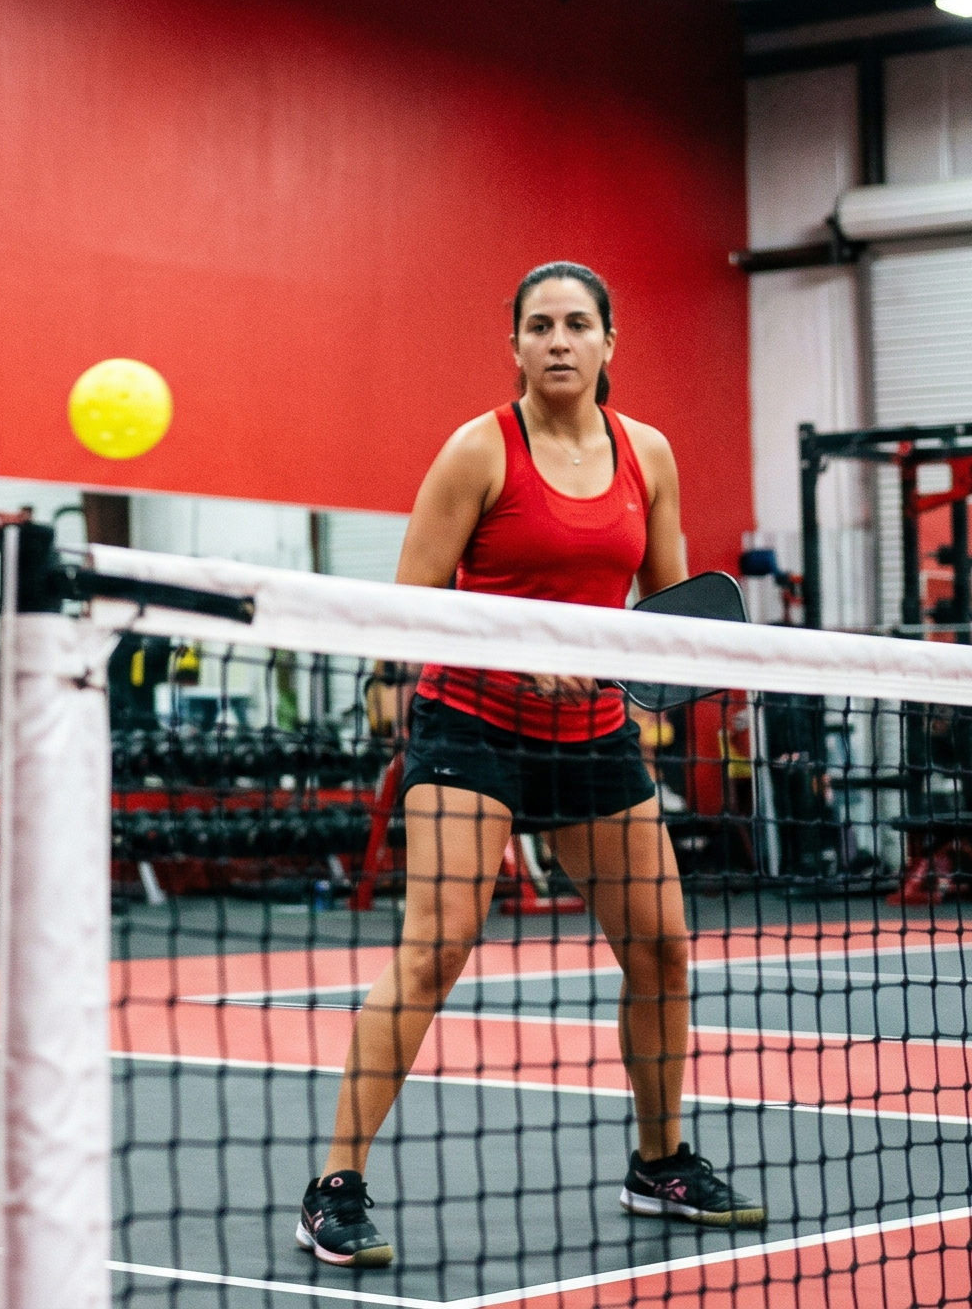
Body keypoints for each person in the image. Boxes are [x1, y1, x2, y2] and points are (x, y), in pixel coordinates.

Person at [297, 261, 761, 1271]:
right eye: (540, 325)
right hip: (469, 728)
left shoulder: (649, 455)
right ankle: (335, 1186)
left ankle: (660, 1160)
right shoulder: (479, 450)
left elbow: (666, 617)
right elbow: (409, 604)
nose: (559, 340)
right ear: (514, 344)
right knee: (438, 945)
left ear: (609, 341)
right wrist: (520, 652)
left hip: (594, 737)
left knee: (664, 947)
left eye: (578, 324)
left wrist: (631, 666)